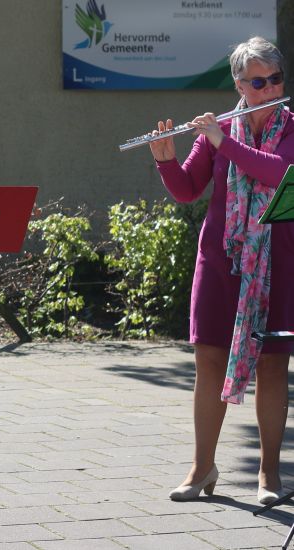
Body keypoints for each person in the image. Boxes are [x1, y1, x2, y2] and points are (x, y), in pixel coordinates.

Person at [149, 36, 294, 504]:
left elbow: (276, 171)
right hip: (222, 261)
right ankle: (202, 467)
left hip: (277, 260)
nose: (270, 89)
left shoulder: (289, 128)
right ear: (239, 84)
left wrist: (222, 141)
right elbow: (189, 189)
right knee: (208, 361)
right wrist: (166, 161)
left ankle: (269, 475)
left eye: (276, 79)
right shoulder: (218, 129)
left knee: (273, 365)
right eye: (259, 82)